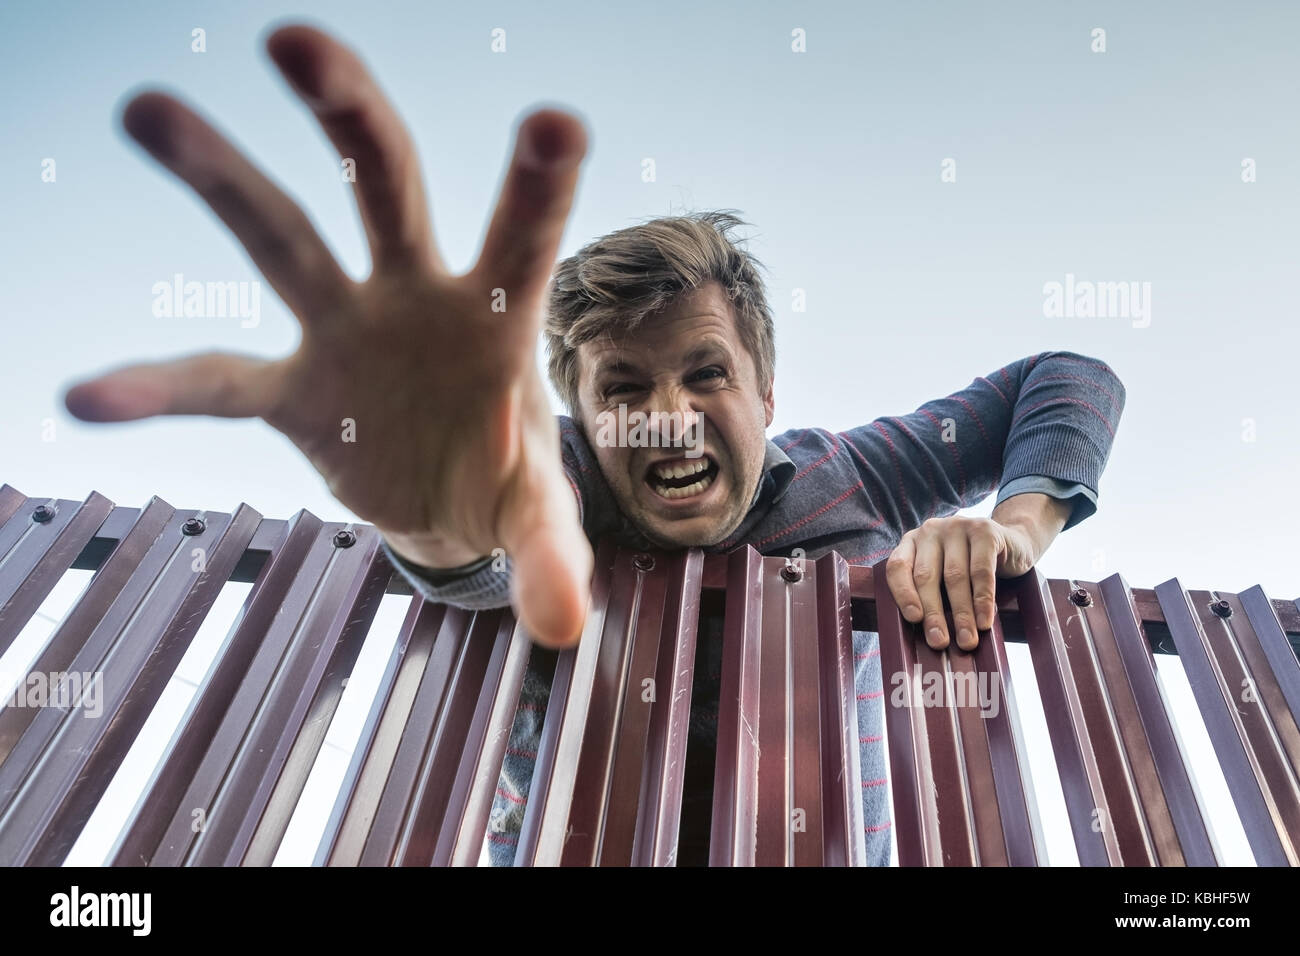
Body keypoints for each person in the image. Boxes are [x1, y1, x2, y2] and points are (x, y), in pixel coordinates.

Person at [62, 23, 1126, 866]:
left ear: (766, 389)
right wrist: (436, 528)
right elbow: (492, 536)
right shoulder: (560, 472)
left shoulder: (849, 469)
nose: (667, 415)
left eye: (705, 373)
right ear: (576, 409)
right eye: (622, 386)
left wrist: (1013, 527)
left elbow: (1069, 377)